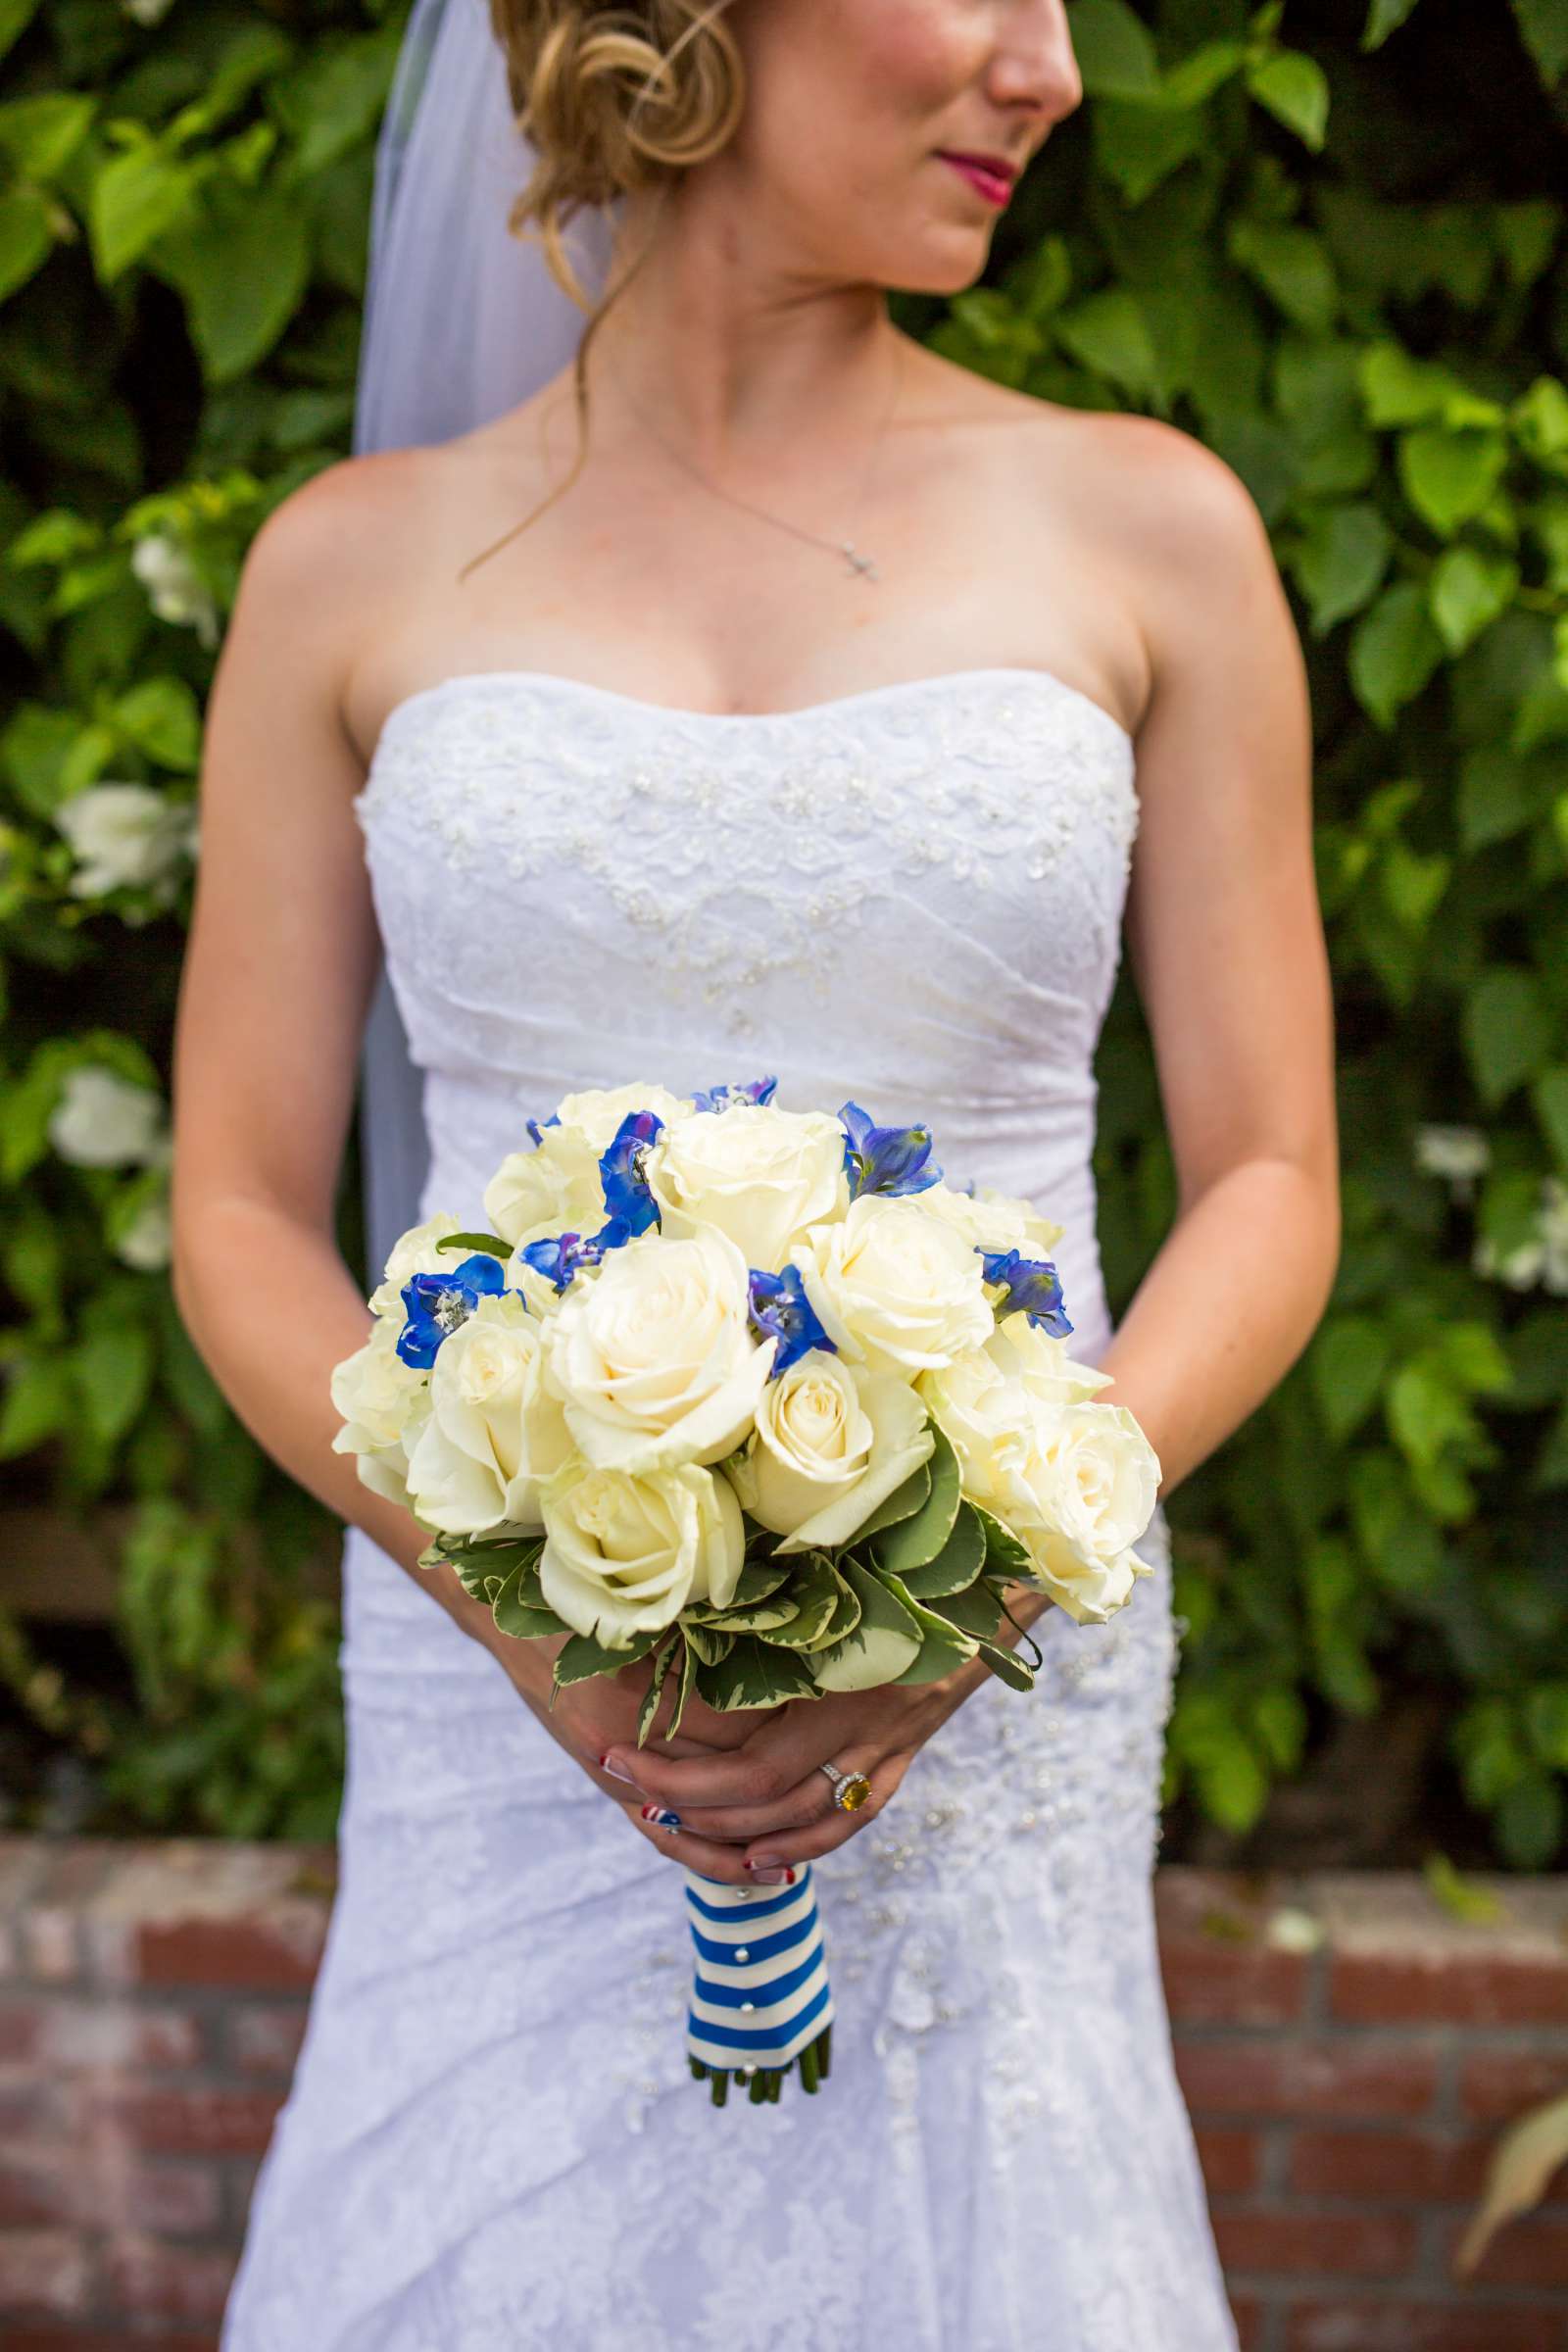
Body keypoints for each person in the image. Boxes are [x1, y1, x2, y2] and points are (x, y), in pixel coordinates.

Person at [171, 0, 1339, 2344]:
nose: (1053, 71)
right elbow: (231, 1208)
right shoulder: (346, 571)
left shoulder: (1154, 532)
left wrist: (984, 1574)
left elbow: (1275, 1173)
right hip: (501, 1708)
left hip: (1003, 1713)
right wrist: (519, 1610)